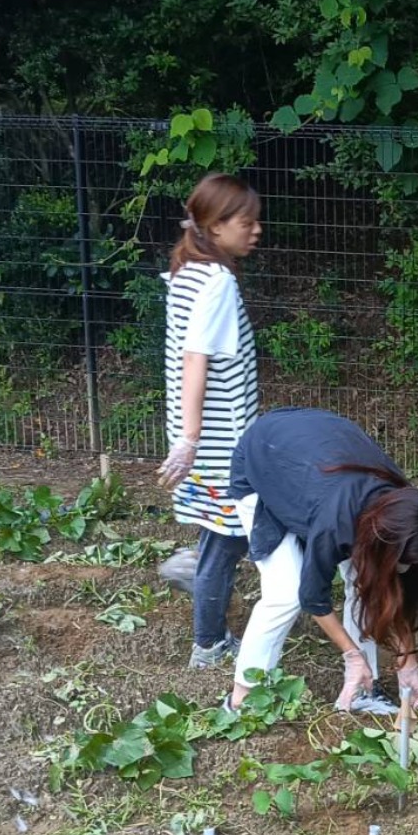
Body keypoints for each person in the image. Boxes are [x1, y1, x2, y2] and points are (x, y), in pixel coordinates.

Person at [225, 408, 418, 715]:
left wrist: (408, 660)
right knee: (285, 591)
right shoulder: (336, 522)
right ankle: (243, 696)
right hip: (265, 459)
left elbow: (390, 585)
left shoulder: (407, 511)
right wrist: (351, 655)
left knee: (367, 580)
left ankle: (364, 690)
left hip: (315, 456)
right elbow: (312, 596)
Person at [154, 175, 263, 670]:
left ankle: (191, 570)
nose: (256, 230)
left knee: (222, 532)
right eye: (247, 222)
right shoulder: (216, 282)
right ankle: (209, 643)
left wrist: (185, 435)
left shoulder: (188, 268)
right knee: (228, 539)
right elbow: (196, 358)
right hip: (219, 441)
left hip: (200, 434)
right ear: (216, 227)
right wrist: (193, 441)